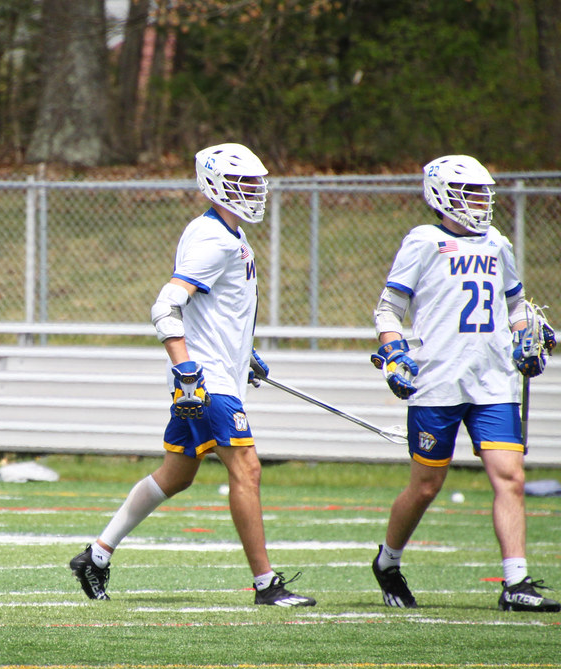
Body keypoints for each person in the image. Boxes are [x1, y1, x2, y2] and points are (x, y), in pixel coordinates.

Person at [68, 143, 316, 607]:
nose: (254, 191)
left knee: (176, 475)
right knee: (247, 469)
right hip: (206, 382)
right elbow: (166, 307)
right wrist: (186, 370)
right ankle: (266, 585)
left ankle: (96, 556)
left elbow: (215, 309)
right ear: (215, 185)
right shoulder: (212, 238)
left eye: (255, 183)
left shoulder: (228, 235)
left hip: (217, 371)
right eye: (243, 183)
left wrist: (244, 353)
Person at [370, 154, 559, 612]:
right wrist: (394, 352)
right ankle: (388, 561)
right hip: (438, 379)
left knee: (511, 477)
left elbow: (516, 304)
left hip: (494, 380)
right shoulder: (423, 242)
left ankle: (516, 583)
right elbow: (388, 310)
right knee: (426, 485)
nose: (479, 202)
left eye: (482, 194)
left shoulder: (497, 243)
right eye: (470, 193)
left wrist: (527, 334)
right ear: (442, 196)